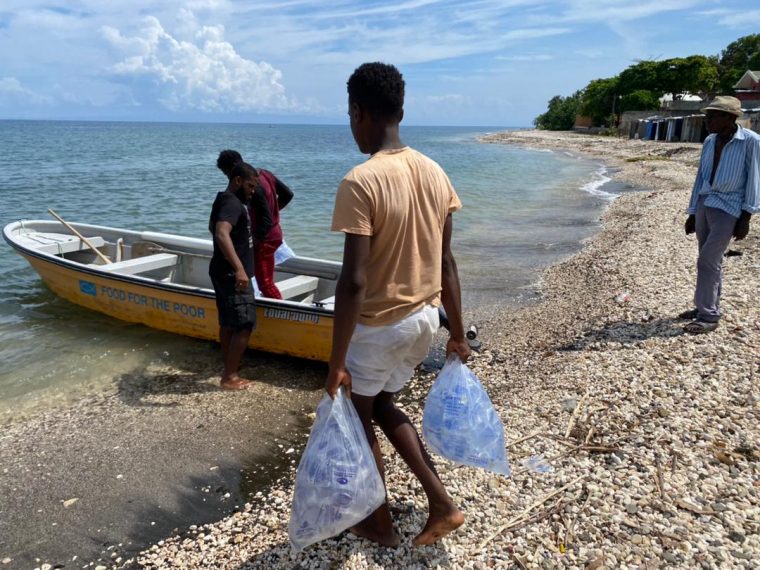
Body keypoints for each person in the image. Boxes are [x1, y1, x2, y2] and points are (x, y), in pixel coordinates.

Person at [325, 62, 471, 547]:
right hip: (425, 320)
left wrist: (335, 361)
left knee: (356, 413)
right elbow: (447, 261)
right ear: (402, 110)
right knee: (384, 402)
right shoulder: (434, 171)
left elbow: (353, 282)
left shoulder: (361, 181)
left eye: (351, 117)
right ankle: (440, 502)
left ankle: (379, 522)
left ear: (357, 112)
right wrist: (458, 333)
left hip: (380, 327)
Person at [681, 95, 759, 334]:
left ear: (730, 117)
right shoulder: (710, 141)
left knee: (708, 260)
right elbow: (701, 178)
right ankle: (706, 305)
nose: (707, 120)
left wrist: (746, 217)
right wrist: (693, 212)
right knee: (709, 260)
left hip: (730, 206)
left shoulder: (751, 141)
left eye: (713, 115)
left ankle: (709, 316)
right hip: (706, 201)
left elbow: (755, 179)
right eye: (708, 115)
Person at [208, 161, 259, 390]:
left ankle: (229, 367)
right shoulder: (232, 203)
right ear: (237, 180)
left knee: (228, 322)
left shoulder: (225, 199)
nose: (252, 191)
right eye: (249, 185)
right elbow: (221, 233)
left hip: (221, 270)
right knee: (244, 323)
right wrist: (239, 268)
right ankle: (230, 376)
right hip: (231, 274)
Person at [216, 150, 294, 298]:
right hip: (275, 234)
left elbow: (266, 221)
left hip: (265, 239)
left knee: (265, 283)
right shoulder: (265, 174)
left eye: (227, 174)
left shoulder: (253, 186)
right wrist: (274, 210)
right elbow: (288, 194)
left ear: (233, 169)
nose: (229, 178)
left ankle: (281, 311)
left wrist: (254, 241)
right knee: (266, 280)